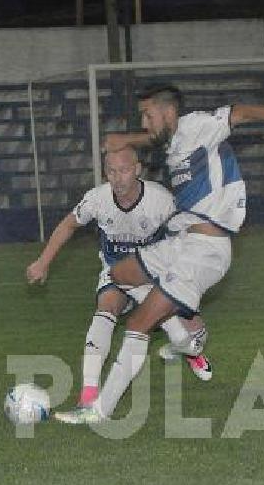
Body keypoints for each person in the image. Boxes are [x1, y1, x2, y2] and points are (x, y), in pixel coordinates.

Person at [54, 83, 264, 424]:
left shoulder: (198, 126)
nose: (144, 121)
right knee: (118, 274)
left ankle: (99, 410)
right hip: (179, 244)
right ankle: (185, 335)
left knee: (137, 324)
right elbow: (154, 138)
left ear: (168, 113)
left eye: (147, 114)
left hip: (205, 252)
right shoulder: (173, 140)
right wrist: (126, 140)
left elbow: (239, 112)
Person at [27, 146, 214, 409]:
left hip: (152, 274)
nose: (118, 178)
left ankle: (189, 349)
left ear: (137, 170)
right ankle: (89, 394)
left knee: (182, 328)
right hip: (116, 271)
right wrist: (43, 261)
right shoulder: (97, 199)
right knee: (106, 307)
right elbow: (69, 223)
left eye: (124, 170)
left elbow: (185, 235)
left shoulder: (160, 200)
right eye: (111, 171)